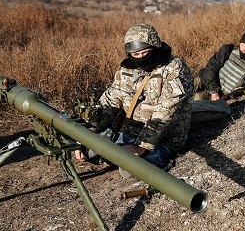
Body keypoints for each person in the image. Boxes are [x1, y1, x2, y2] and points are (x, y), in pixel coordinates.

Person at [74, 23, 194, 173]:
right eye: (136, 54)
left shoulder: (174, 69)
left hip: (165, 137)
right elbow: (108, 102)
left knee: (130, 170)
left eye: (145, 52)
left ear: (156, 47)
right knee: (90, 152)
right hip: (131, 131)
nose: (141, 58)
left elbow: (165, 112)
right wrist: (83, 138)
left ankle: (166, 158)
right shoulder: (127, 71)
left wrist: (141, 146)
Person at [194, 32, 245, 101]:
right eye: (242, 45)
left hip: (221, 95)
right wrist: (213, 91)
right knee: (193, 84)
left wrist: (243, 88)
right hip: (208, 82)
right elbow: (211, 68)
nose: (244, 49)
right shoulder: (228, 50)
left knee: (197, 99)